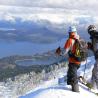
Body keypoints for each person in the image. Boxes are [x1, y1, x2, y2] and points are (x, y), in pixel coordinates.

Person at [56, 26, 81, 92]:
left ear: (70, 32)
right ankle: (72, 89)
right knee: (70, 75)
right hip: (79, 61)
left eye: (69, 32)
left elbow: (64, 52)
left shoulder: (70, 40)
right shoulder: (78, 38)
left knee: (73, 78)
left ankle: (75, 92)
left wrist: (59, 52)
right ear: (75, 32)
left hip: (73, 61)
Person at [87, 25, 98, 90]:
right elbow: (95, 49)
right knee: (94, 71)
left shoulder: (95, 35)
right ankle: (93, 86)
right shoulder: (93, 37)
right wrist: (90, 47)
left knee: (96, 73)